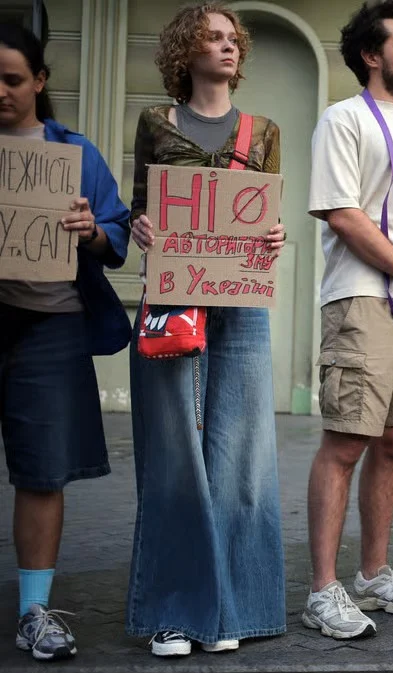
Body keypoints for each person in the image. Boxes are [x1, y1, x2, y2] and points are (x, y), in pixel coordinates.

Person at [125, 3, 287, 657]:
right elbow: (143, 204)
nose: (225, 47)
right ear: (184, 53)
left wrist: (275, 236)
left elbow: (268, 214)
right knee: (173, 457)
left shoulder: (265, 130)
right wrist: (140, 226)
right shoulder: (154, 122)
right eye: (211, 38)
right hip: (171, 296)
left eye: (231, 39)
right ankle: (172, 611)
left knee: (241, 459)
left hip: (242, 303)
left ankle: (230, 609)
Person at [303, 0, 393, 639]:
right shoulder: (342, 120)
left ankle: (369, 575)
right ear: (371, 54)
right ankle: (321, 592)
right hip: (363, 301)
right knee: (346, 444)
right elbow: (342, 213)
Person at [0, 23, 130, 662]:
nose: (1, 91)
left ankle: (33, 609)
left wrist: (90, 231)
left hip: (51, 326)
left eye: (13, 79)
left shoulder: (73, 153)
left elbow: (116, 232)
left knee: (43, 470)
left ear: (40, 82)